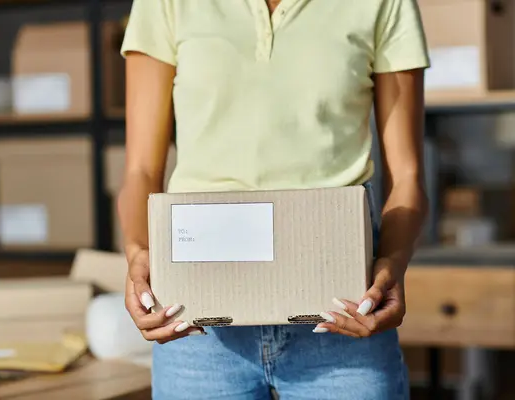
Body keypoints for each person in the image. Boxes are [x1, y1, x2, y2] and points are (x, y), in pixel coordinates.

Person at [118, 0, 430, 398]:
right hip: (197, 325)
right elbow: (139, 171)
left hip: (343, 313)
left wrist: (393, 263)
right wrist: (138, 253)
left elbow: (408, 177)